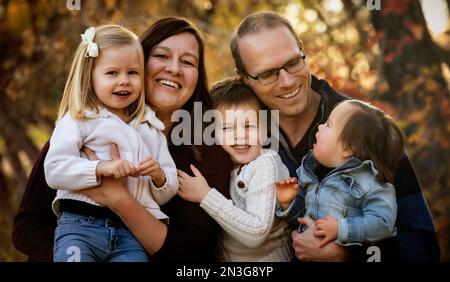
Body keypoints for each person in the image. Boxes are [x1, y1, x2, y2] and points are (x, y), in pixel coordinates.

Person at [13, 17, 232, 262]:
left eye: (188, 62)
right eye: (161, 56)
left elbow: (192, 255)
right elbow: (26, 229)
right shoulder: (83, 123)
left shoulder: (209, 153)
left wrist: (119, 199)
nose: (174, 68)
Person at [230, 11, 440, 261]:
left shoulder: (365, 128)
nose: (286, 81)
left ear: (302, 49)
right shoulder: (235, 137)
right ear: (244, 78)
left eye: (293, 62)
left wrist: (347, 255)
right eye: (267, 74)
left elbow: (423, 245)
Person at [44, 24, 178, 262]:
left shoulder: (150, 127)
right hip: (80, 225)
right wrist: (99, 168)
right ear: (90, 77)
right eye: (112, 73)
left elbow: (167, 192)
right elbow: (54, 170)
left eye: (133, 73)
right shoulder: (80, 118)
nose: (124, 81)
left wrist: (159, 177)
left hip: (131, 235)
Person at [177, 78, 293, 261]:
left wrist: (205, 196)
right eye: (227, 128)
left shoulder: (264, 164)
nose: (240, 135)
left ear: (265, 129)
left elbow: (256, 232)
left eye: (249, 126)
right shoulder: (225, 167)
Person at [276, 100, 402, 248]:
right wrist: (288, 204)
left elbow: (383, 223)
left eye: (328, 124)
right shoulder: (311, 173)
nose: (320, 126)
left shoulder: (369, 184)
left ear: (347, 148)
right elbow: (303, 218)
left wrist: (341, 229)